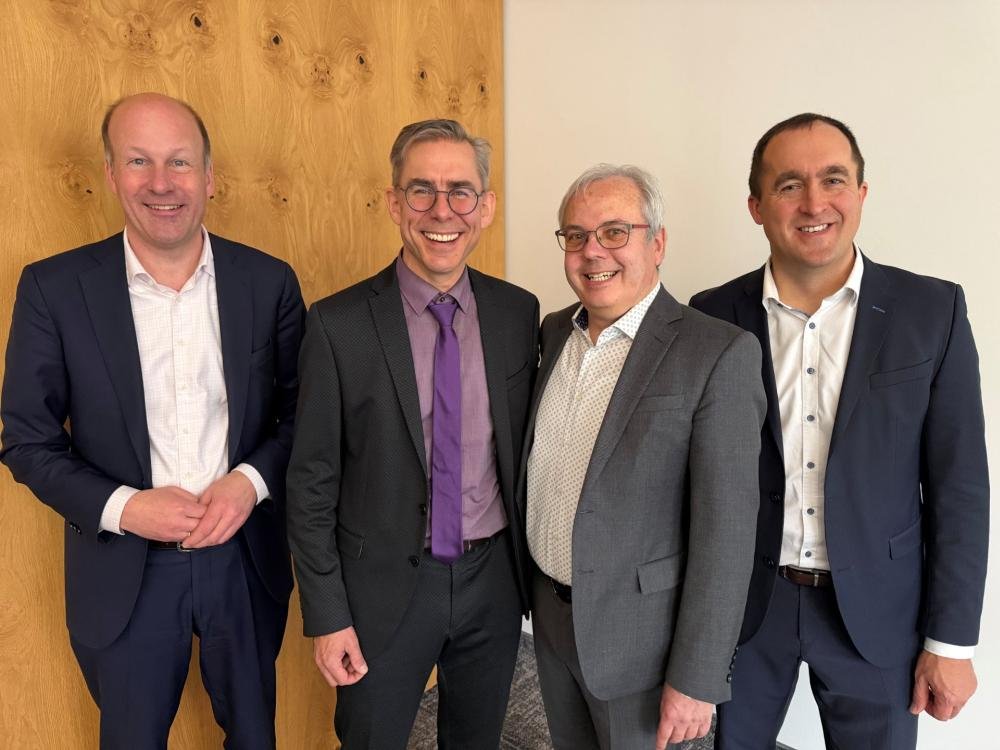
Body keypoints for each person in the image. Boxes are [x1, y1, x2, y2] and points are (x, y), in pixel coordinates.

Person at [0, 93, 305, 749]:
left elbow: (301, 416)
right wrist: (127, 507)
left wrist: (249, 483)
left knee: (255, 736)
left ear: (210, 176)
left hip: (244, 559)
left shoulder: (269, 282)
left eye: (179, 162)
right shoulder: (53, 289)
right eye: (139, 161)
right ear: (111, 174)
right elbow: (26, 440)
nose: (161, 184)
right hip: (123, 569)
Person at [690, 113, 990, 749]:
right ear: (756, 206)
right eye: (788, 185)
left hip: (881, 614)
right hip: (746, 611)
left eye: (833, 180)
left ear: (861, 192)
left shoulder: (932, 311)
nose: (814, 202)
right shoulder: (711, 316)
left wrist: (951, 642)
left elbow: (960, 487)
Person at [285, 118, 539, 748]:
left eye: (461, 192)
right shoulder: (338, 325)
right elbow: (310, 484)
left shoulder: (517, 313)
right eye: (421, 190)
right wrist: (328, 615)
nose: (441, 211)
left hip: (492, 580)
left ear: (486, 207)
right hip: (382, 587)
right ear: (395, 203)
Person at [524, 164, 765, 750]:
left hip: (642, 644)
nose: (592, 251)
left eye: (615, 231)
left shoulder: (718, 352)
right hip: (550, 619)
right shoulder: (554, 332)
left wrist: (697, 677)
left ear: (657, 243)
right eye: (576, 235)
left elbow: (728, 535)